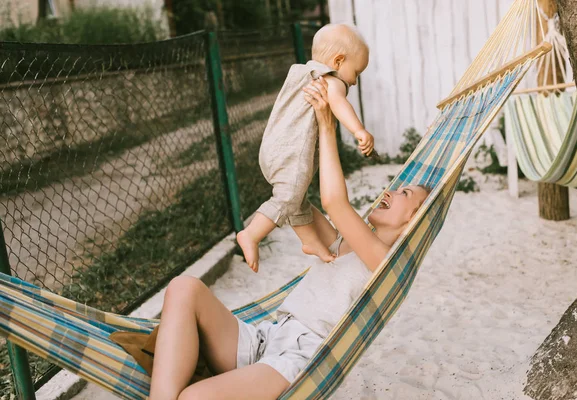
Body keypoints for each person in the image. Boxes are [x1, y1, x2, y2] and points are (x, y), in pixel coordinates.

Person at [148, 77, 430, 400]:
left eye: (404, 192)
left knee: (192, 398)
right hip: (266, 338)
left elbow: (334, 203)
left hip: (294, 360)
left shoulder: (382, 262)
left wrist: (328, 127)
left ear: (412, 221)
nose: (390, 192)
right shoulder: (340, 243)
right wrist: (294, 142)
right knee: (184, 288)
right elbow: (296, 202)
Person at [236, 23, 376, 273]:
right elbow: (338, 102)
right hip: (290, 152)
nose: (354, 82)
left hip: (270, 150)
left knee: (298, 198)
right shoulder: (330, 78)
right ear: (338, 60)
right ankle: (251, 234)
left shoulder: (301, 73)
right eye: (356, 72)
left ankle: (310, 241)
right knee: (288, 196)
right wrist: (358, 130)